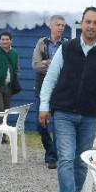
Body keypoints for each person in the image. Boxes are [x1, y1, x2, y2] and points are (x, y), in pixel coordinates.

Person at [38, 7, 96, 192]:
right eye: (88, 22)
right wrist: (44, 106)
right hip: (63, 112)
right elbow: (50, 78)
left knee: (81, 161)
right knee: (65, 157)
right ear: (81, 24)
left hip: (90, 115)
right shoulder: (66, 48)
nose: (91, 26)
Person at [31, 15, 66, 169]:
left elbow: (66, 66)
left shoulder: (66, 45)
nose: (60, 27)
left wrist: (47, 63)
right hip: (42, 88)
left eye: (63, 25)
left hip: (60, 89)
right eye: (58, 25)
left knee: (58, 124)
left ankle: (52, 156)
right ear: (51, 26)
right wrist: (54, 65)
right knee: (40, 124)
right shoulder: (41, 43)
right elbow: (36, 65)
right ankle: (50, 149)